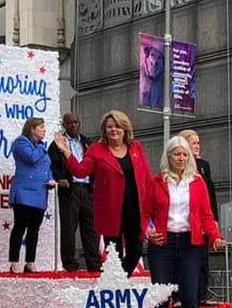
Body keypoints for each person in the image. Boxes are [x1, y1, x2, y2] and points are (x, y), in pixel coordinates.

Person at [144, 136, 227, 308]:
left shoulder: (197, 182)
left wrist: (215, 236)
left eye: (184, 154)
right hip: (163, 244)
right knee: (162, 299)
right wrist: (148, 233)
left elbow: (206, 215)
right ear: (168, 156)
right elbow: (145, 216)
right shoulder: (157, 181)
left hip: (191, 244)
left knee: (191, 299)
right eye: (176, 154)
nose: (180, 158)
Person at [55, 110, 153, 275]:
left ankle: (120, 278)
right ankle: (116, 283)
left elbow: (147, 177)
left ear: (125, 129)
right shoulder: (96, 149)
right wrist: (66, 151)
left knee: (135, 252)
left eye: (118, 126)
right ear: (104, 130)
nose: (114, 130)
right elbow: (80, 171)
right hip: (110, 212)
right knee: (114, 255)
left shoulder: (136, 147)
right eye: (109, 127)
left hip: (135, 210)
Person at [49, 112, 100, 272]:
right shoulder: (57, 144)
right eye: (70, 123)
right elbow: (52, 166)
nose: (73, 125)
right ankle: (70, 265)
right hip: (69, 189)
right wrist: (59, 179)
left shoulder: (87, 143)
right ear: (63, 125)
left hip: (87, 189)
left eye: (76, 122)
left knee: (91, 229)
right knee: (69, 228)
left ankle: (94, 265)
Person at [8, 117, 56, 273]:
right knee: (20, 226)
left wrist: (50, 178)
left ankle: (30, 261)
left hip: (40, 192)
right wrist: (43, 147)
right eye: (41, 127)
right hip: (24, 191)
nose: (44, 130)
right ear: (32, 128)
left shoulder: (40, 147)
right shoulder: (21, 142)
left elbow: (47, 166)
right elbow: (31, 158)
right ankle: (14, 260)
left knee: (34, 229)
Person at [178, 129, 220, 304]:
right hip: (185, 221)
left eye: (198, 143)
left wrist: (215, 219)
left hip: (203, 219)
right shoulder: (179, 164)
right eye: (193, 142)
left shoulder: (203, 165)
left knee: (203, 258)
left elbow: (211, 193)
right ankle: (180, 295)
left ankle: (201, 294)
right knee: (184, 259)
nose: (197, 146)